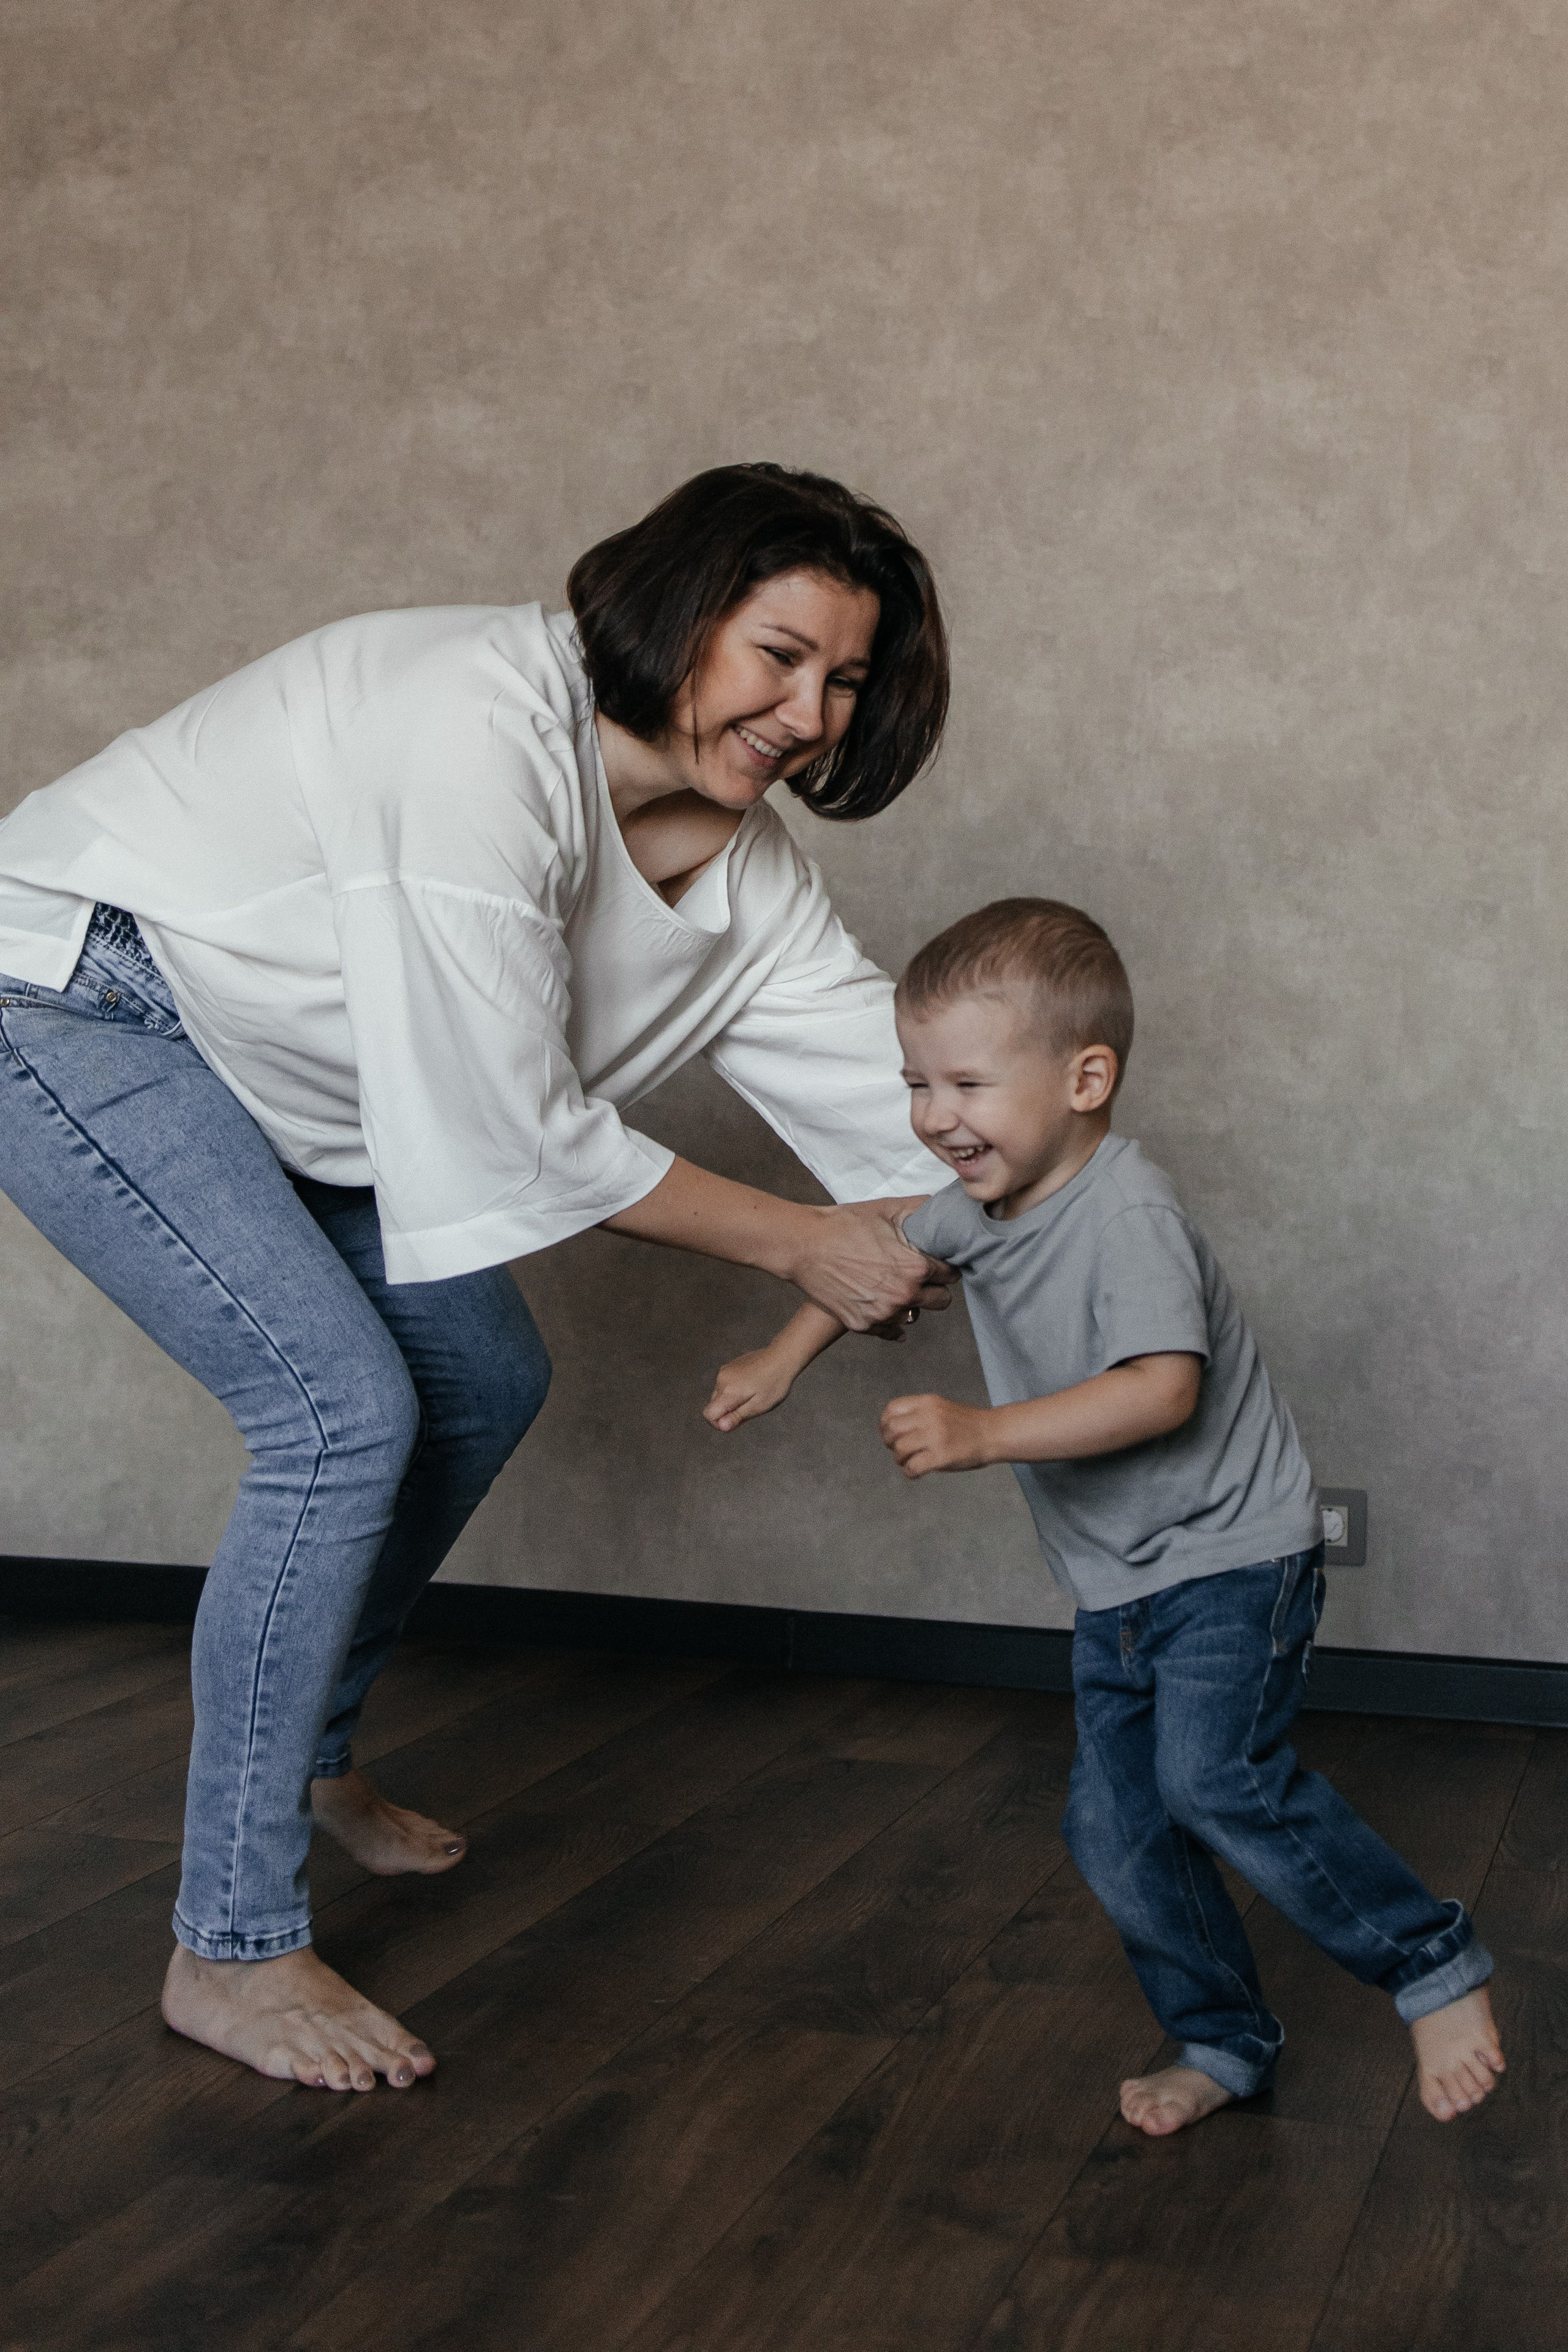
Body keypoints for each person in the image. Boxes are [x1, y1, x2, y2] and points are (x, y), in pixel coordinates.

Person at [0, 463, 956, 2091]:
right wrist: (806, 1242)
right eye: (781, 654)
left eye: (847, 680)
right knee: (337, 1416)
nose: (809, 715)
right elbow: (511, 1132)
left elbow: (921, 1121)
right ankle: (229, 1945)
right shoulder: (475, 724)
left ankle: (305, 1755)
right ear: (678, 613)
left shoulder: (753, 882)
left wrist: (1096, 1238)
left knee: (485, 1378)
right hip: (83, 991)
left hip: (318, 1078)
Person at [706, 895, 1506, 2134]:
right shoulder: (974, 1203)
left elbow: (1159, 1391)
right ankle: (1223, 2039)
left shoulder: (1128, 1213)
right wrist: (780, 1355)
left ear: (1085, 1080)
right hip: (1115, 1582)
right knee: (1115, 1830)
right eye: (916, 1084)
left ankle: (1431, 1964)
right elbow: (881, 1247)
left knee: (1213, 1780)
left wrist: (981, 1433)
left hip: (1234, 1560)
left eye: (966, 1084)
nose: (933, 1116)